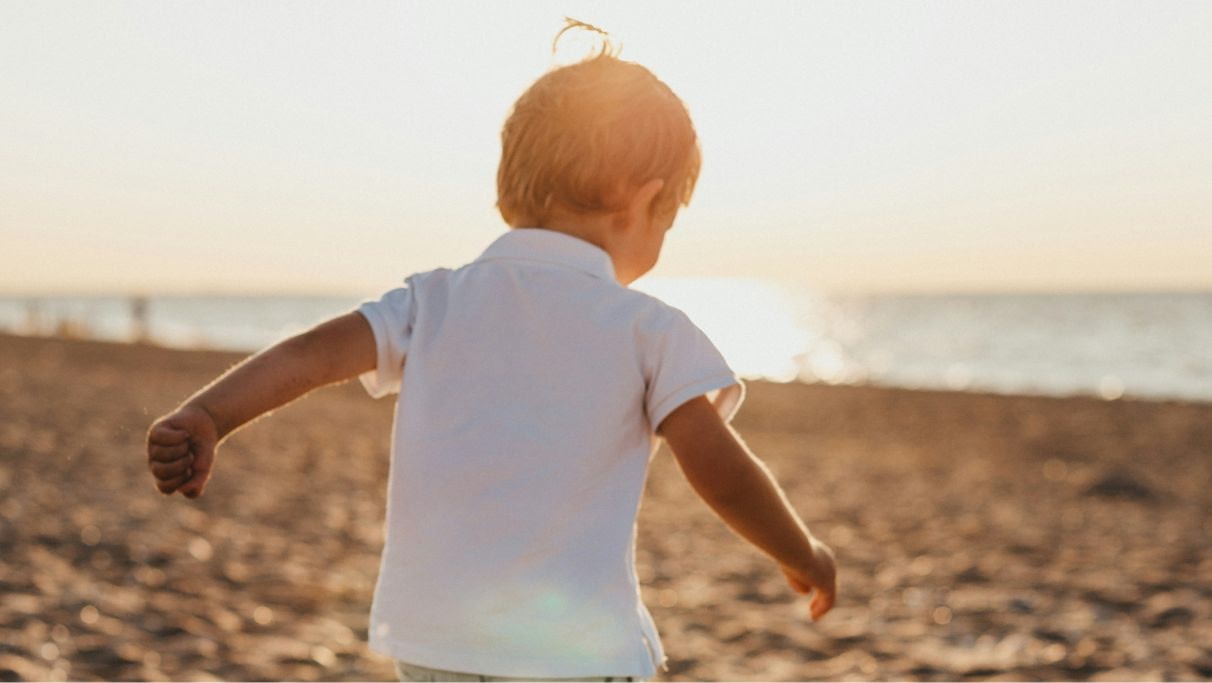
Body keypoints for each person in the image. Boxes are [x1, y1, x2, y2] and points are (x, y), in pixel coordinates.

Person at [146, 26, 836, 683]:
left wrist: (210, 414)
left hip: (434, 643)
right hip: (576, 653)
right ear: (644, 203)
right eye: (670, 219)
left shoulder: (433, 300)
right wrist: (802, 551)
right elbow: (719, 469)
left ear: (510, 189)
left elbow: (313, 351)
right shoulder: (648, 327)